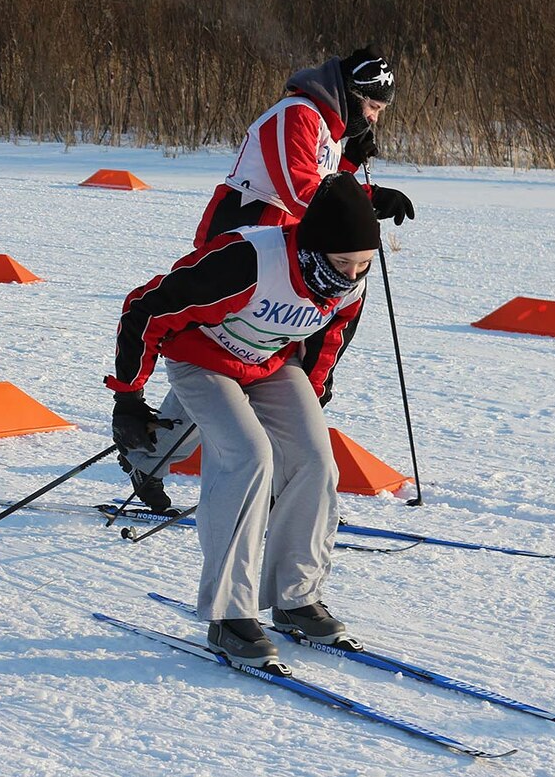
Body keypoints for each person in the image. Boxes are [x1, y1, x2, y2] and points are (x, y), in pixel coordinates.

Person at [118, 45, 415, 512]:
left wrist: (352, 168)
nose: (375, 119)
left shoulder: (328, 126)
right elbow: (301, 189)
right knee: (215, 352)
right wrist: (368, 198)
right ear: (352, 94)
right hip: (243, 239)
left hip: (286, 246)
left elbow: (324, 188)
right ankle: (167, 456)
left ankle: (154, 455)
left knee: (238, 356)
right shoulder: (296, 113)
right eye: (373, 107)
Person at [105, 173, 379, 666]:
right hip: (200, 359)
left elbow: (330, 338)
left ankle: (296, 598)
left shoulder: (348, 284)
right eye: (343, 264)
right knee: (249, 458)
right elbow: (144, 310)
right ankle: (229, 615)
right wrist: (128, 397)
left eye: (363, 265)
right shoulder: (245, 261)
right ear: (313, 248)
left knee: (315, 462)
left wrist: (312, 396)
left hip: (269, 362)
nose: (352, 276)